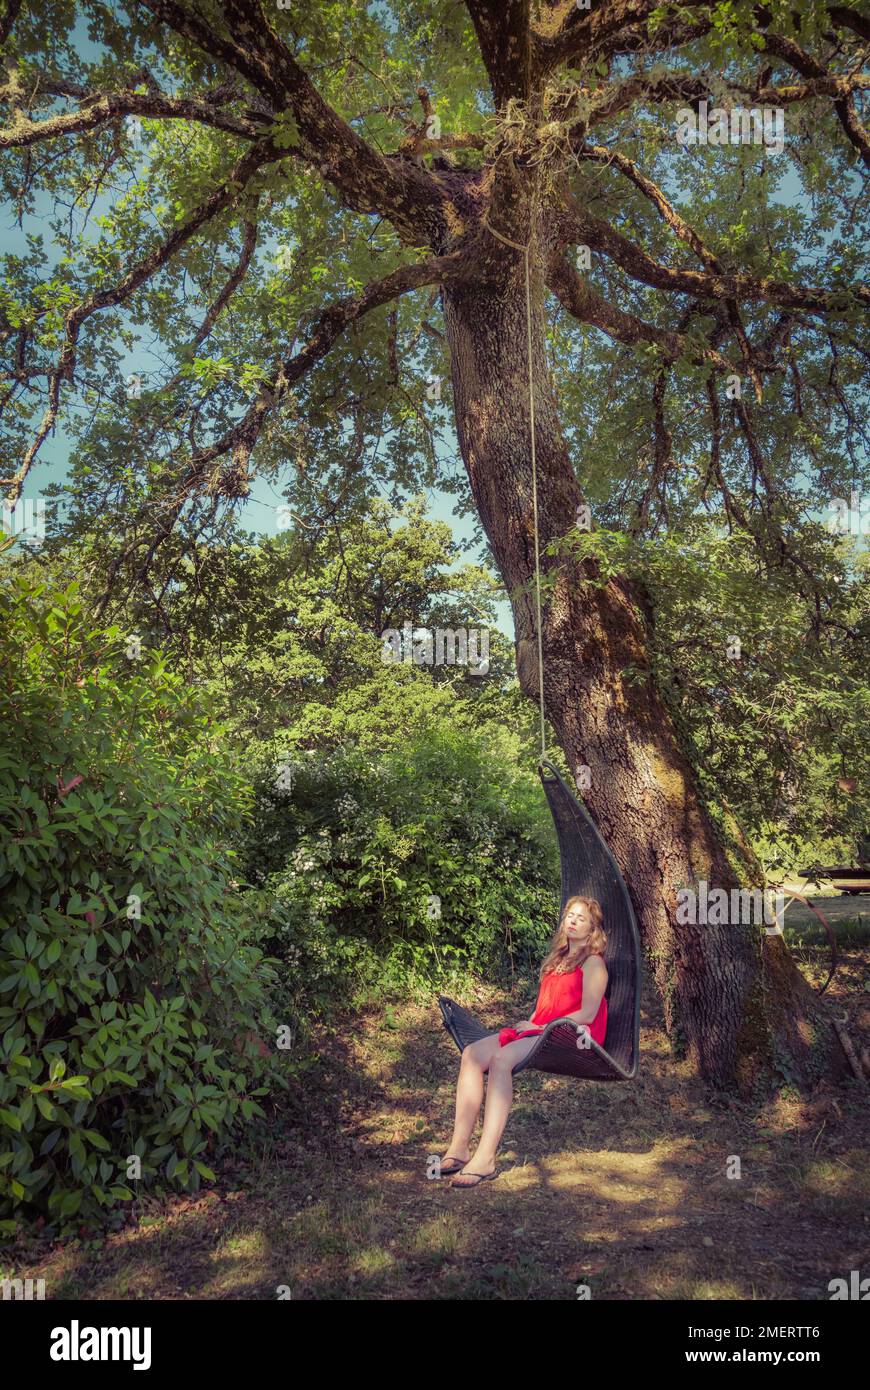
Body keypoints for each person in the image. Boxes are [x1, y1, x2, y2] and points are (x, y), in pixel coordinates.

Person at [439, 895, 608, 1189]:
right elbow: (545, 1004)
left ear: (593, 930)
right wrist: (532, 1024)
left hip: (572, 1036)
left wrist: (539, 1026)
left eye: (582, 918)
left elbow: (588, 1012)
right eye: (570, 914)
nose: (573, 920)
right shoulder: (557, 960)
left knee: (502, 1060)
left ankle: (486, 1159)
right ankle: (460, 1147)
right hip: (541, 1030)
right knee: (473, 1053)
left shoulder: (593, 964)